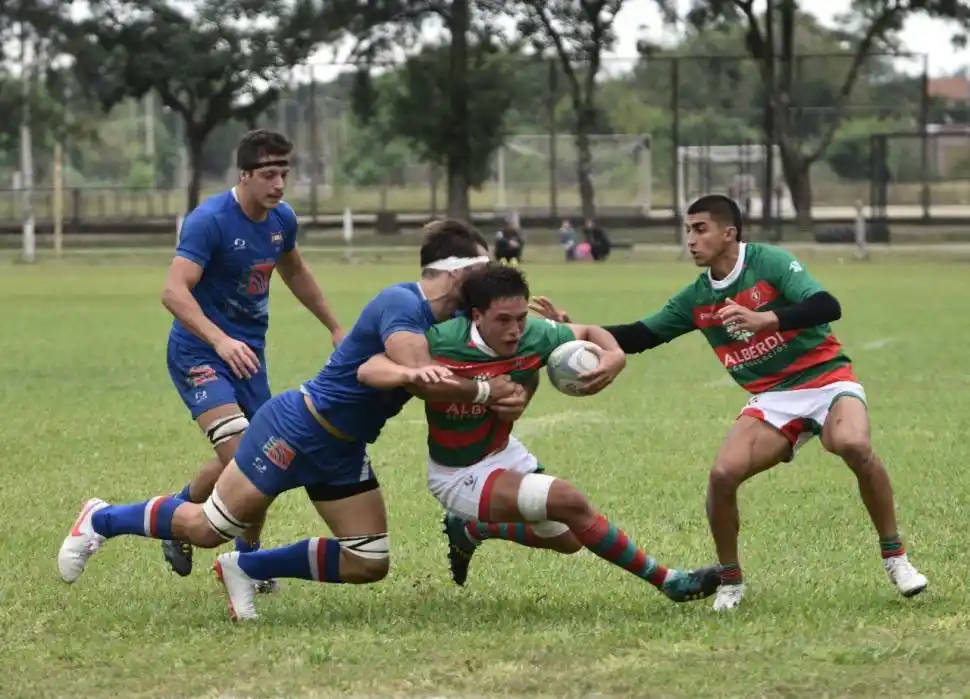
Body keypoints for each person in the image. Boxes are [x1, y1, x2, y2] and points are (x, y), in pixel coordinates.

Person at [58, 220, 528, 622]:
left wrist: (556, 336)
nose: (490, 282)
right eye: (483, 270)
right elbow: (423, 377)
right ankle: (101, 517)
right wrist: (486, 391)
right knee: (206, 530)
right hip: (297, 428)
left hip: (343, 449)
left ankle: (248, 568)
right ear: (458, 271)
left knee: (369, 560)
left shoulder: (459, 316)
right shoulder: (402, 305)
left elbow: (503, 330)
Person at [528, 194, 928, 612]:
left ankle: (895, 558)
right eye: (688, 230)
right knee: (723, 474)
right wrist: (570, 330)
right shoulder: (697, 298)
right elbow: (639, 336)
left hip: (826, 380)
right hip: (773, 398)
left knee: (853, 445)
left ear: (728, 233)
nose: (691, 240)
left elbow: (827, 305)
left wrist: (766, 319)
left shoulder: (768, 263)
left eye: (700, 229)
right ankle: (731, 581)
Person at [355, 263, 722, 604]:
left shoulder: (535, 334)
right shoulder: (440, 341)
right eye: (503, 320)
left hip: (502, 452)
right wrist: (413, 375)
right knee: (569, 500)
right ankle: (670, 582)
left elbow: (590, 332)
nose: (515, 330)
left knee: (571, 540)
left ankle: (472, 530)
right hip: (458, 474)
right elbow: (369, 367)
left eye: (520, 317)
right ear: (476, 315)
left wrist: (615, 356)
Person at [159, 129, 345, 590]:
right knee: (248, 457)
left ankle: (205, 534)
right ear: (244, 175)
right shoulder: (211, 221)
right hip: (200, 352)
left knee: (260, 459)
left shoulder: (281, 220)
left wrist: (335, 326)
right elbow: (173, 292)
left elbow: (295, 271)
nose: (279, 183)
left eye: (284, 172)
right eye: (268, 174)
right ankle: (223, 548)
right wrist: (220, 340)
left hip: (248, 358)